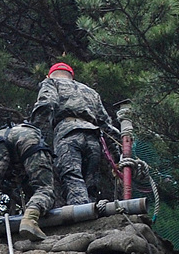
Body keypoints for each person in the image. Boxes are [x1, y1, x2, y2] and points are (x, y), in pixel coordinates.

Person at [30, 62, 120, 206]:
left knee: (71, 177)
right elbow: (106, 126)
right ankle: (92, 215)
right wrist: (117, 157)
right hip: (93, 138)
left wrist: (32, 132)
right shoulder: (90, 92)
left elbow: (46, 104)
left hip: (68, 134)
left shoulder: (51, 83)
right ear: (72, 76)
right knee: (90, 183)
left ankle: (81, 218)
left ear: (48, 75)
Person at [0, 122, 56, 242]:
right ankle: (30, 219)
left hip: (0, 139)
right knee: (44, 188)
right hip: (29, 138)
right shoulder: (27, 129)